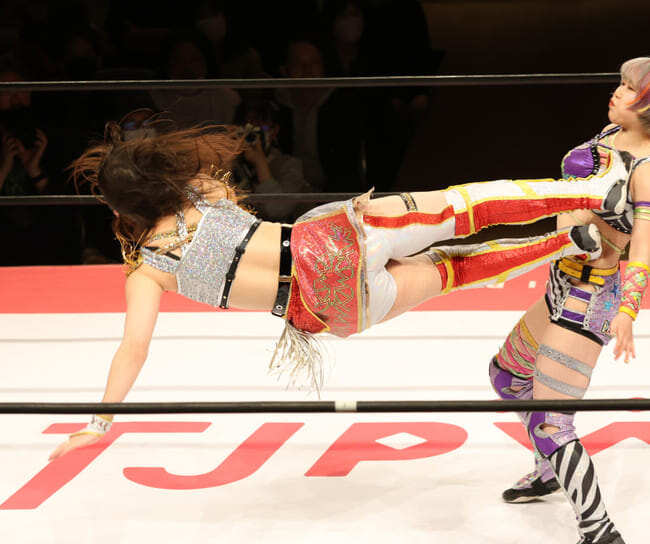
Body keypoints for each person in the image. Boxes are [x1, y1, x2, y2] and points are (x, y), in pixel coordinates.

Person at [47, 117, 629, 461]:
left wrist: (99, 424)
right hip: (328, 247)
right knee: (460, 208)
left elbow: (133, 349)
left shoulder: (146, 271)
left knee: (452, 270)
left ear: (121, 210)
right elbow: (222, 188)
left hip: (325, 311)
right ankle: (589, 193)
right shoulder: (198, 196)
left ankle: (568, 243)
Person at [489, 57, 650, 544]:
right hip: (560, 279)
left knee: (551, 421)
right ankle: (549, 469)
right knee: (507, 376)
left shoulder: (647, 169)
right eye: (620, 84)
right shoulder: (610, 134)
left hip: (592, 295)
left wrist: (627, 311)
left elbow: (642, 249)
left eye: (628, 89)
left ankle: (599, 530)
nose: (616, 92)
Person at [231, 97, 312, 222]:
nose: (251, 138)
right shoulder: (230, 164)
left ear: (274, 131)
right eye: (245, 131)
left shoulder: (290, 165)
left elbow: (278, 210)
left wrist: (260, 163)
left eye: (258, 130)